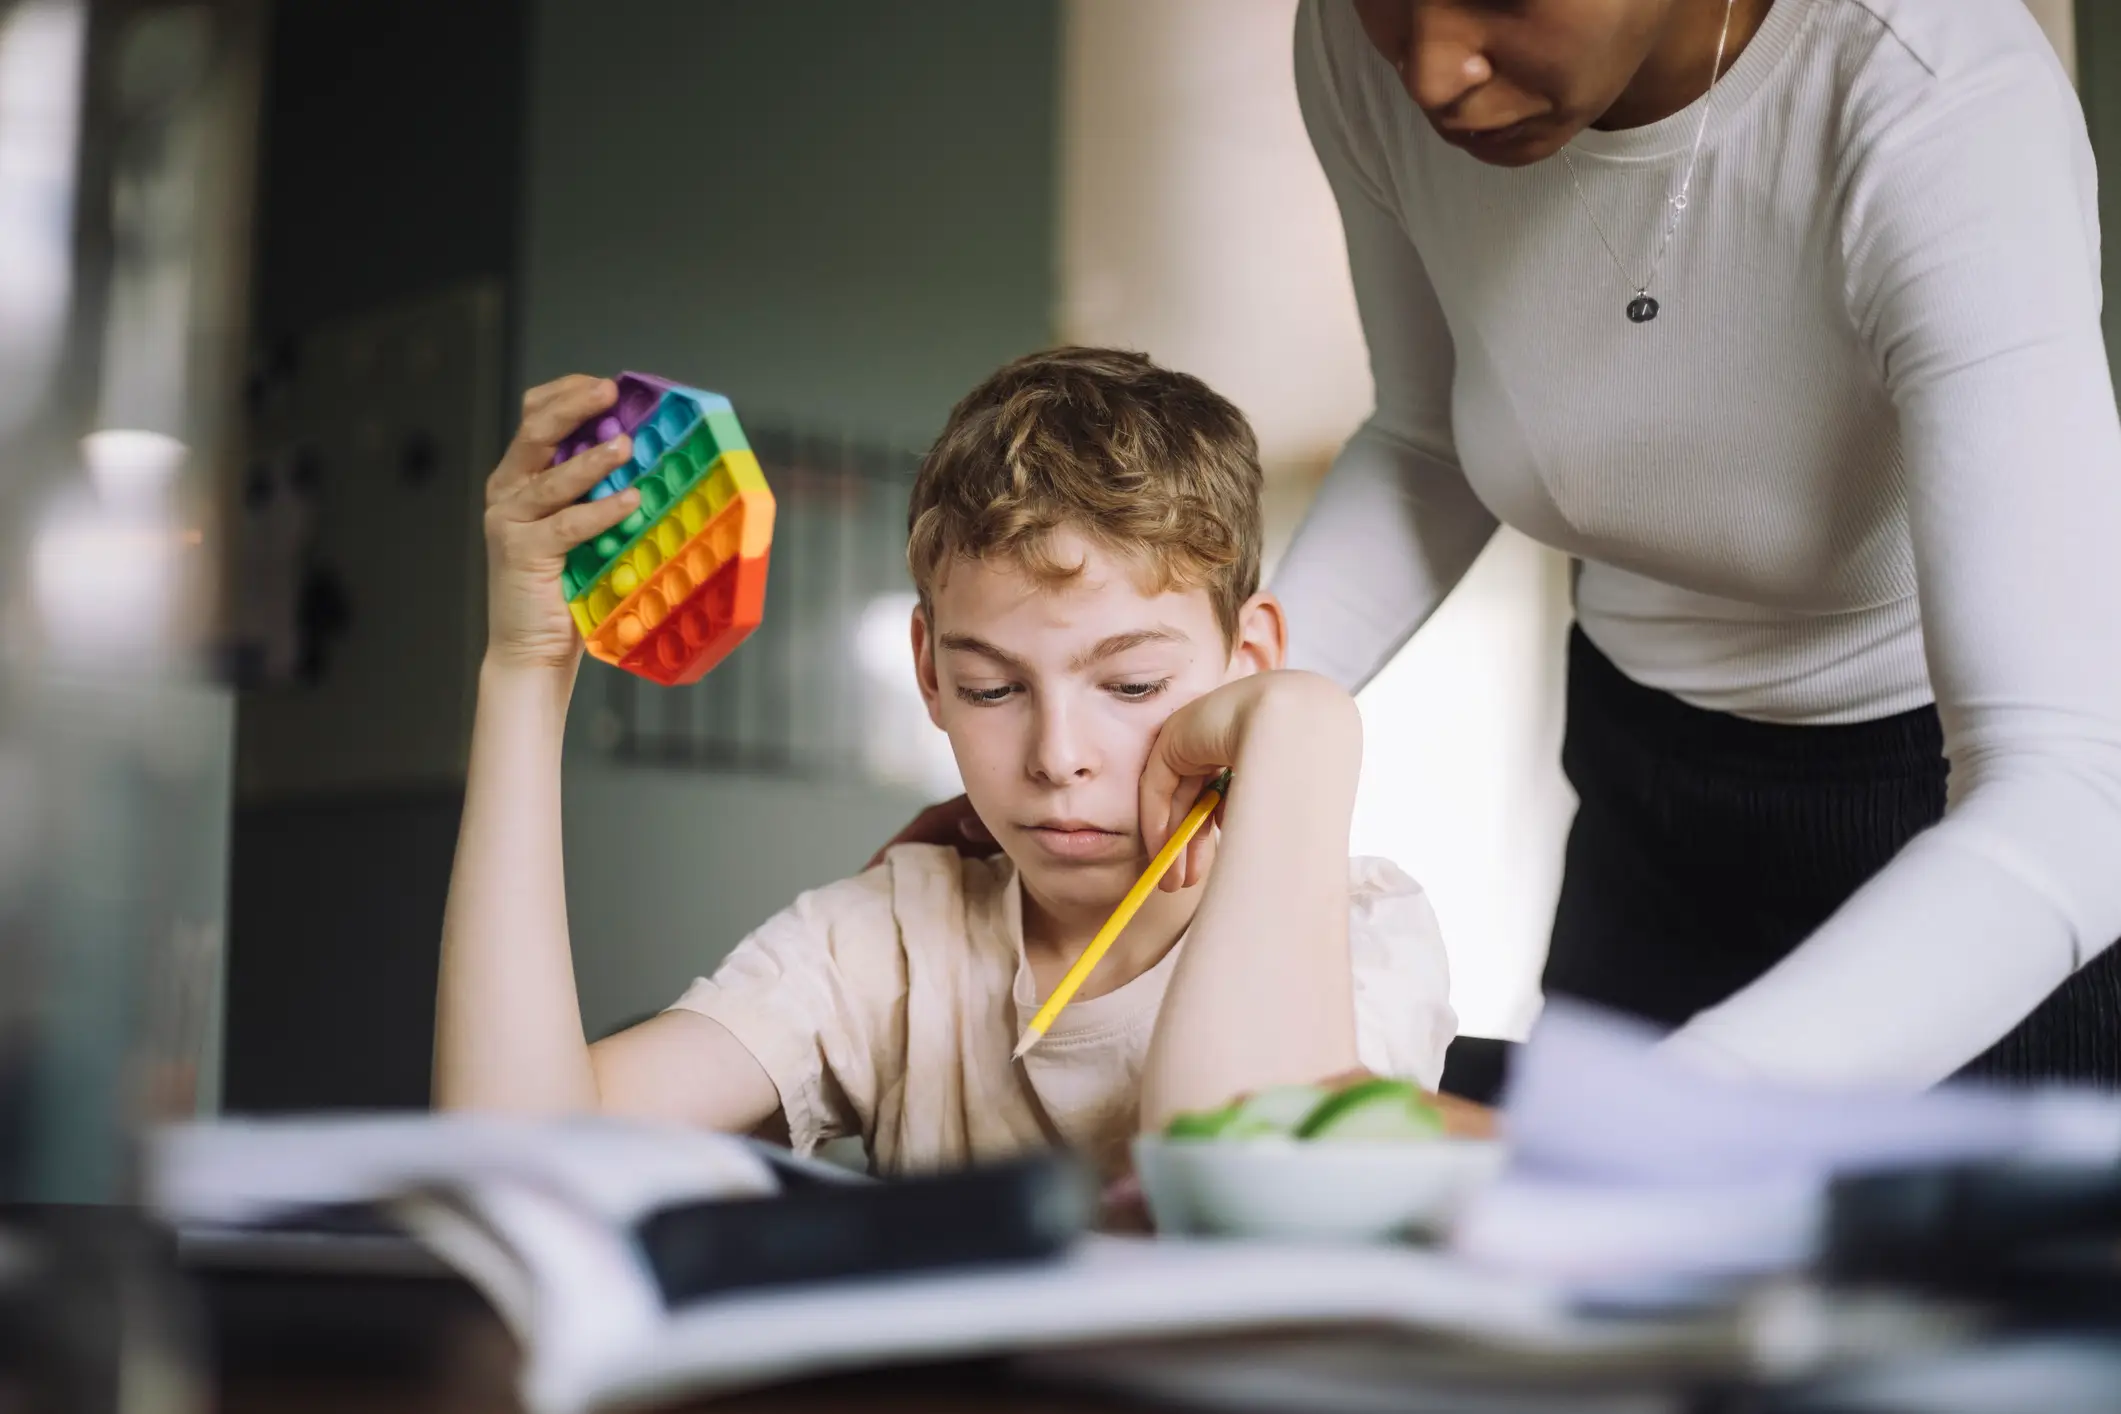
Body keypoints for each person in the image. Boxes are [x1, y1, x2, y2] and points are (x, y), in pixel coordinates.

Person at [890, 0, 2121, 1094]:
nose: (1432, 70)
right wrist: (1155, 749)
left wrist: (1654, 1132)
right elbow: (1432, 438)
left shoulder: (1935, 96)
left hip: (1961, 825)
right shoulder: (1362, 50)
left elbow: (2069, 789)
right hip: (1649, 784)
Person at [433, 346, 1466, 1181]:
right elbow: (512, 1157)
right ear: (929, 671)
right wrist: (524, 672)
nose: (1058, 757)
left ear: (1247, 668)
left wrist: (1300, 728)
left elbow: (1231, 1181)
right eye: (992, 689)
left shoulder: (1359, 937)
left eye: (1133, 686)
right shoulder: (886, 940)